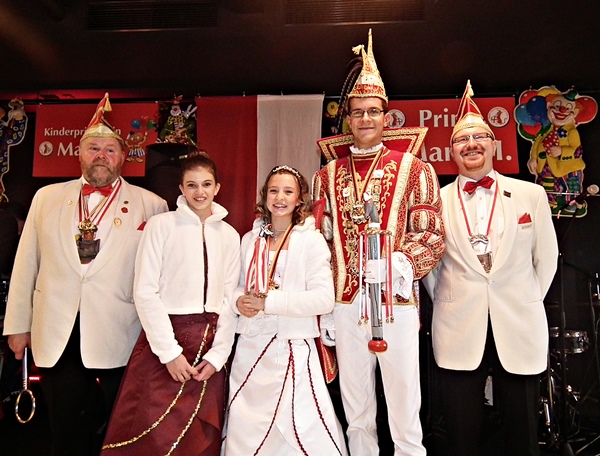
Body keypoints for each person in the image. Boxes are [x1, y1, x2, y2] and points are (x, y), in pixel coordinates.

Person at [2, 93, 168, 456]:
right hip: (57, 330)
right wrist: (17, 326)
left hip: (121, 333)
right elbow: (25, 263)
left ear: (124, 157)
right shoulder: (46, 197)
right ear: (78, 153)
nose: (101, 156)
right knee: (64, 429)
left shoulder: (153, 206)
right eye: (93, 148)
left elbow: (159, 277)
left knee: (119, 427)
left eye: (110, 150)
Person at [312, 30, 445, 455]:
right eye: (357, 112)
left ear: (387, 117)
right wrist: (325, 303)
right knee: (356, 409)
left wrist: (399, 263)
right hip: (345, 302)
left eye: (373, 112)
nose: (365, 119)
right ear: (347, 118)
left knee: (405, 408)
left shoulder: (416, 168)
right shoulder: (325, 176)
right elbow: (320, 243)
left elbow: (431, 233)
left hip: (396, 302)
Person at [422, 81, 559, 456]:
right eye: (462, 140)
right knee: (462, 436)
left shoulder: (531, 194)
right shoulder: (436, 199)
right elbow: (431, 270)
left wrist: (523, 298)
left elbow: (544, 261)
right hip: (458, 326)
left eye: (480, 136)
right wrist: (454, 298)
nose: (472, 145)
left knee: (523, 437)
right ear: (451, 151)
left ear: (494, 144)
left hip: (518, 323)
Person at [102, 152, 240, 455]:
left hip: (210, 348)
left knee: (198, 440)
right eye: (191, 185)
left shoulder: (230, 235)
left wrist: (218, 356)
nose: (199, 192)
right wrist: (169, 353)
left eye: (206, 184)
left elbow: (230, 299)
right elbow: (145, 292)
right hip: (164, 343)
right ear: (180, 188)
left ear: (217, 187)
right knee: (151, 436)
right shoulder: (160, 226)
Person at [222, 165, 347, 456]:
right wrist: (240, 301)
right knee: (246, 423)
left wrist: (269, 303)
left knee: (302, 424)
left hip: (290, 346)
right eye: (274, 190)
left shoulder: (310, 240)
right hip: (251, 345)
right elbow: (238, 286)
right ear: (265, 196)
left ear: (299, 200)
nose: (280, 197)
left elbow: (323, 299)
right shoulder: (250, 239)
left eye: (288, 191)